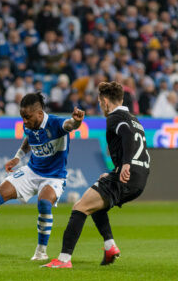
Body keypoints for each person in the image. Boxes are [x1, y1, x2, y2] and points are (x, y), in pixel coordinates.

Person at [0, 93, 85, 261]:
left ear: (39, 113)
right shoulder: (28, 124)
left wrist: (77, 121)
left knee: (44, 203)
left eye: (27, 117)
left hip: (54, 177)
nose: (25, 121)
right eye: (22, 117)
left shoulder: (56, 123)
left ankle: (40, 252)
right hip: (32, 171)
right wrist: (17, 157)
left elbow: (70, 125)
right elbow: (29, 139)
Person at [43, 81, 150, 268]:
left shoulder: (115, 118)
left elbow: (126, 135)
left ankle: (63, 260)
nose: (101, 107)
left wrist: (125, 165)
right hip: (140, 178)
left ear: (106, 101)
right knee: (96, 204)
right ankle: (110, 247)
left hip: (127, 174)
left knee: (79, 207)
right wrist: (115, 172)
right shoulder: (134, 119)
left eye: (101, 103)